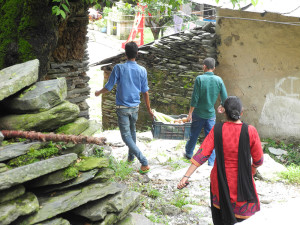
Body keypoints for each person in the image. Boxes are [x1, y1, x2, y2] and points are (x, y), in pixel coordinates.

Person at [178, 96, 264, 225]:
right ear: (241, 112)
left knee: (221, 219)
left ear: (224, 112)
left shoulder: (217, 129)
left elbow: (202, 154)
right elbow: (258, 159)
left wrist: (186, 176)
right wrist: (253, 168)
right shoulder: (250, 131)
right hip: (242, 184)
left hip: (219, 183)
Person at [95, 41, 154, 174]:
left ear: (125, 54)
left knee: (126, 136)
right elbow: (145, 92)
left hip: (122, 107)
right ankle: (130, 157)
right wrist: (149, 109)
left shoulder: (119, 68)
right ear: (137, 53)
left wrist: (98, 92)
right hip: (135, 107)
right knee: (132, 131)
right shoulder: (142, 70)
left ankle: (143, 161)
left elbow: (109, 87)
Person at [184, 57, 228, 166]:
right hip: (210, 114)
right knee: (211, 138)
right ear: (213, 68)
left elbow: (195, 98)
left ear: (204, 66)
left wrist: (190, 113)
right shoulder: (219, 80)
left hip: (198, 113)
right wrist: (222, 106)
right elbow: (225, 97)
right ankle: (211, 162)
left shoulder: (199, 79)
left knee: (193, 134)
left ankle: (189, 153)